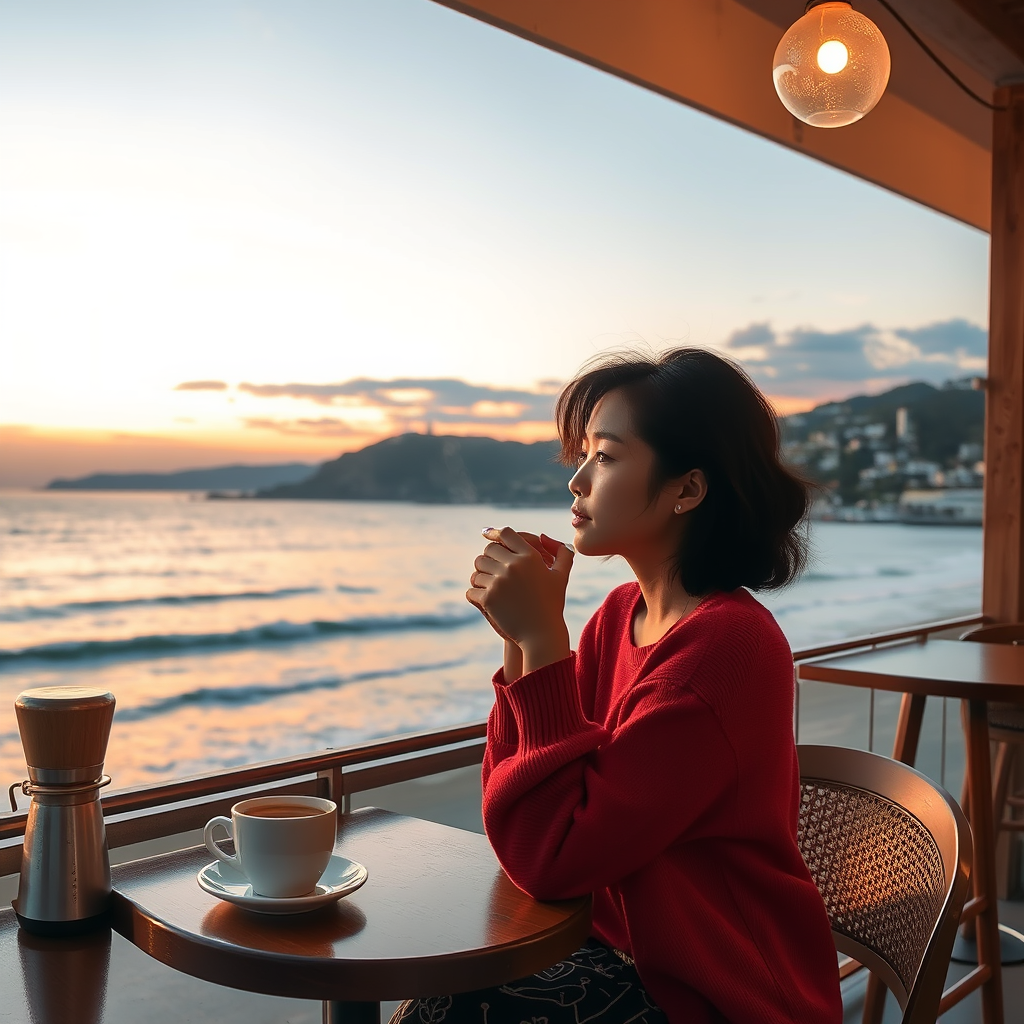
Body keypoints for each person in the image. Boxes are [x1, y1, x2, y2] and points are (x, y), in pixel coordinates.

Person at [391, 348, 843, 1024]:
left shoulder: (726, 651)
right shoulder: (616, 619)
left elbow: (550, 861)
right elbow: (526, 830)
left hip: (716, 994)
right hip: (619, 955)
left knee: (448, 1010)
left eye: (603, 457)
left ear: (687, 490)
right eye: (582, 455)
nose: (576, 481)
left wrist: (542, 643)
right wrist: (520, 642)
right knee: (439, 987)